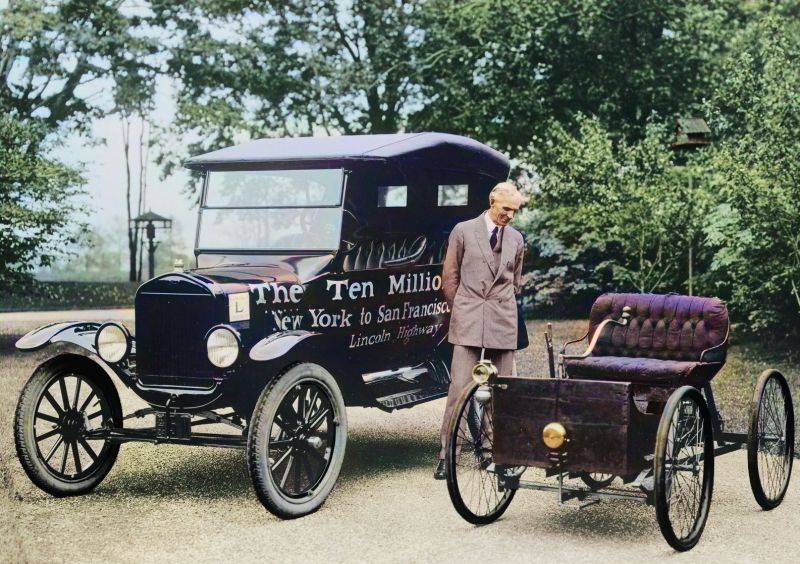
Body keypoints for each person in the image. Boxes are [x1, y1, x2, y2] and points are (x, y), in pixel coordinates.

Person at [434, 181, 527, 479]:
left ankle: (492, 452)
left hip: (503, 320)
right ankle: (448, 456)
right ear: (492, 201)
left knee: (502, 391)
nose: (510, 216)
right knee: (459, 389)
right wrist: (462, 307)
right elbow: (449, 278)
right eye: (505, 209)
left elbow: (516, 280)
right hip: (469, 317)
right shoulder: (463, 231)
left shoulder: (516, 239)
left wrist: (502, 304)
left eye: (515, 211)